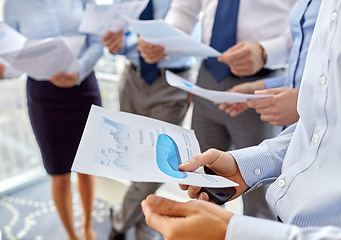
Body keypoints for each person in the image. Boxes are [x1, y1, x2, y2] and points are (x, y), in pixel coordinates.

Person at [141, 1, 341, 239]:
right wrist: (243, 165)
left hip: (262, 82)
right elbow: (323, 125)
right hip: (209, 78)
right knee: (206, 186)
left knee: (259, 207)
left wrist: (266, 53)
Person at [0, 1, 103, 239]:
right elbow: (11, 56)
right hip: (44, 95)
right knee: (58, 171)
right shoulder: (15, 5)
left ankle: (87, 225)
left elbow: (97, 41)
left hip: (83, 86)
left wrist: (79, 70)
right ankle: (72, 234)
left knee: (87, 166)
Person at [101, 1, 199, 239]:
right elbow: (118, 31)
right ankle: (143, 226)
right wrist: (115, 43)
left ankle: (120, 222)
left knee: (155, 166)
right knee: (132, 156)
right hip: (131, 77)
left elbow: (199, 35)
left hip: (172, 82)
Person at [218, 0, 321, 127]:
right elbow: (303, 70)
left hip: (318, 128)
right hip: (291, 126)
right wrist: (262, 87)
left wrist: (305, 106)